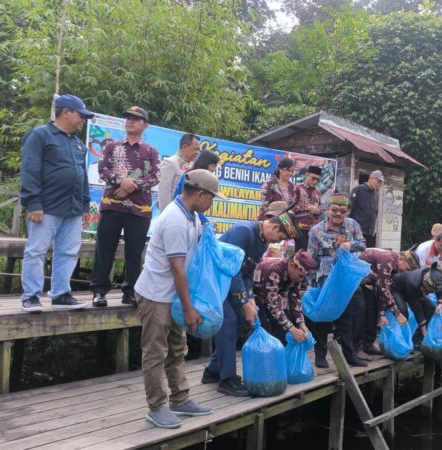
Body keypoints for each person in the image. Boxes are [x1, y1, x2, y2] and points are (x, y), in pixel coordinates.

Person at [134, 169, 221, 428]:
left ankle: (180, 400)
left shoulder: (191, 215)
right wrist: (188, 308)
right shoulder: (175, 220)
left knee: (176, 348)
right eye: (211, 198)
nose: (211, 203)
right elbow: (177, 268)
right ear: (200, 194)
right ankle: (157, 406)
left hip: (171, 296)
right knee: (155, 352)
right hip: (156, 296)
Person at [202, 212, 301, 396]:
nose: (279, 242)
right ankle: (227, 379)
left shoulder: (262, 241)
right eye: (281, 237)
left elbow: (247, 273)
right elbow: (231, 268)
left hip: (231, 283)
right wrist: (243, 301)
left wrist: (250, 299)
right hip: (214, 282)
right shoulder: (244, 232)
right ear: (274, 227)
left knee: (240, 319)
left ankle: (213, 370)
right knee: (229, 322)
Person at [19, 94, 93, 312]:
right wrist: (33, 202)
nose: (83, 120)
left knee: (69, 252)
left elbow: (82, 176)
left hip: (72, 208)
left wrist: (85, 206)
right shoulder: (41, 135)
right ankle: (31, 296)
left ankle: (60, 294)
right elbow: (30, 169)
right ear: (66, 112)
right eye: (81, 115)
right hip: (46, 207)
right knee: (36, 251)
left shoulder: (78, 144)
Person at [91, 106, 160, 308]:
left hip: (139, 210)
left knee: (134, 252)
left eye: (136, 119)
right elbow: (102, 168)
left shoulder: (151, 151)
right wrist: (121, 181)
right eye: (128, 118)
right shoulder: (112, 146)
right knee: (104, 249)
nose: (130, 121)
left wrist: (132, 186)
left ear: (145, 125)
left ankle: (130, 292)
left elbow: (155, 176)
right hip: (112, 206)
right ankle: (99, 291)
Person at [306, 193, 367, 368]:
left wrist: (350, 245)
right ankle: (320, 356)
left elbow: (363, 244)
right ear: (327, 210)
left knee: (347, 320)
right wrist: (310, 286)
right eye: (334, 210)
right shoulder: (316, 230)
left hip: (345, 281)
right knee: (322, 320)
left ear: (347, 211)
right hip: (324, 280)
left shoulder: (352, 225)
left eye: (342, 211)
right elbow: (311, 259)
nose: (338, 214)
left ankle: (350, 356)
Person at [357, 248, 420, 358]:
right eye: (407, 268)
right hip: (355, 279)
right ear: (402, 259)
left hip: (370, 283)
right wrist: (397, 313)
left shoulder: (395, 267)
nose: (405, 271)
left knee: (374, 310)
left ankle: (368, 345)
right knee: (364, 312)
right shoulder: (388, 260)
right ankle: (357, 348)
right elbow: (383, 288)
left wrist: (382, 314)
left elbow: (381, 289)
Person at [252, 250, 317, 344]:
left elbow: (295, 299)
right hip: (255, 296)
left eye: (303, 277)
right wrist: (292, 329)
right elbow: (273, 305)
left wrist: (301, 323)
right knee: (262, 329)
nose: (301, 280)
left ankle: (281, 355)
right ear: (291, 265)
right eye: (300, 276)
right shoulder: (274, 271)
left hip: (274, 294)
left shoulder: (296, 275)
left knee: (284, 327)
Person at [390, 263, 442, 345]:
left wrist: (440, 305)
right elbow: (417, 310)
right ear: (424, 282)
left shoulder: (438, 279)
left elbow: (441, 290)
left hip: (417, 291)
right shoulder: (413, 282)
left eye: (431, 292)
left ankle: (417, 340)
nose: (429, 293)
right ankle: (400, 341)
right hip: (397, 288)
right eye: (428, 291)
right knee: (403, 313)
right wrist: (425, 333)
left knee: (431, 310)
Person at [157, 133, 199, 211]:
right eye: (195, 149)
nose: (197, 152)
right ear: (185, 147)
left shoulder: (192, 166)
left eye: (198, 150)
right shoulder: (170, 162)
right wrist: (167, 214)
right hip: (173, 212)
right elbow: (164, 191)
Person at [349, 170, 382, 248]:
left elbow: (375, 212)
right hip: (357, 230)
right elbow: (350, 209)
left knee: (367, 254)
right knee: (356, 252)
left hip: (369, 232)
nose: (379, 184)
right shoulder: (358, 189)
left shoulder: (376, 194)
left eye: (381, 182)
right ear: (370, 179)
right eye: (378, 181)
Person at [293, 165, 323, 248]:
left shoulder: (318, 193)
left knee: (310, 255)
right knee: (300, 254)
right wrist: (307, 208)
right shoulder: (297, 188)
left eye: (318, 180)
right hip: (299, 228)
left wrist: (320, 211)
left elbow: (319, 211)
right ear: (306, 175)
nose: (315, 181)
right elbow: (290, 207)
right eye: (313, 178)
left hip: (313, 230)